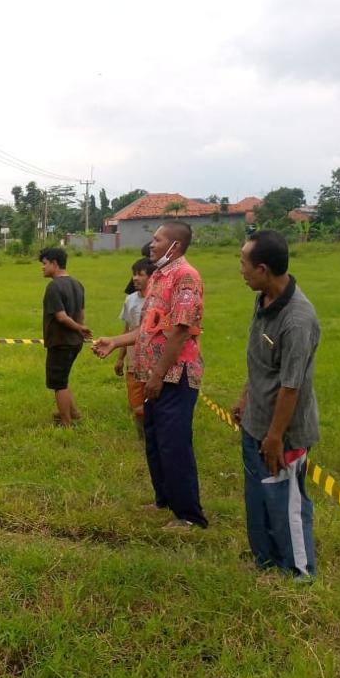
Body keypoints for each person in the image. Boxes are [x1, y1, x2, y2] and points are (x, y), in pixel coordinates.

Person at [93, 221, 208, 529]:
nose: (152, 244)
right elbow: (147, 329)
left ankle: (189, 517)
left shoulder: (186, 277)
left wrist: (158, 374)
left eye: (158, 240)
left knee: (174, 444)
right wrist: (114, 341)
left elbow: (180, 330)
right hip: (153, 376)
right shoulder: (158, 277)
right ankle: (164, 501)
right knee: (155, 441)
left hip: (175, 376)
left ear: (176, 246)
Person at [232, 230, 318, 578]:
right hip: (256, 421)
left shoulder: (297, 320)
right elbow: (262, 364)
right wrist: (245, 396)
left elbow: (291, 385)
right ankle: (266, 561)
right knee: (259, 497)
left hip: (283, 433)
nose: (240, 269)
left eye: (243, 263)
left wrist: (275, 436)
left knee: (286, 501)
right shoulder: (264, 299)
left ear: (263, 269)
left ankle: (299, 571)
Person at [39, 247, 91, 427]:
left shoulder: (54, 287)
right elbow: (81, 313)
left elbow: (61, 317)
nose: (42, 268)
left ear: (54, 263)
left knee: (58, 383)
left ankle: (66, 422)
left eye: (44, 264)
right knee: (63, 378)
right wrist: (80, 330)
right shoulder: (77, 283)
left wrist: (78, 328)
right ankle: (74, 412)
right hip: (75, 342)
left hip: (61, 342)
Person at [114, 257, 156, 438]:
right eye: (134, 274)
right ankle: (143, 436)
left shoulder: (157, 301)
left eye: (140, 274)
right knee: (136, 403)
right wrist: (120, 358)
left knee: (155, 400)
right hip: (133, 362)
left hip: (154, 362)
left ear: (151, 277)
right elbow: (127, 329)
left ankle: (156, 433)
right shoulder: (130, 300)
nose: (135, 278)